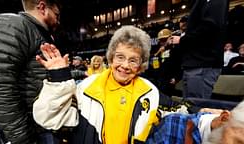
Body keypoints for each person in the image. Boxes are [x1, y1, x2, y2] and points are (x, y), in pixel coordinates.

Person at [33, 25, 189, 144]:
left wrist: (206, 116)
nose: (125, 65)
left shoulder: (149, 91)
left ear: (141, 65)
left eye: (133, 60)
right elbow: (48, 118)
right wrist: (59, 78)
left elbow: (179, 110)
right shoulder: (87, 87)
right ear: (111, 58)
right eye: (120, 57)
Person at [0, 0, 61, 143]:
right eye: (57, 15)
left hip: (41, 127)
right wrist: (22, 137)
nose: (58, 21)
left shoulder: (35, 32)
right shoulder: (13, 25)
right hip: (29, 131)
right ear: (42, 8)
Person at [179, 0, 229, 99]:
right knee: (189, 107)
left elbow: (210, 27)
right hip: (196, 64)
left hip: (203, 64)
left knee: (197, 107)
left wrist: (182, 39)